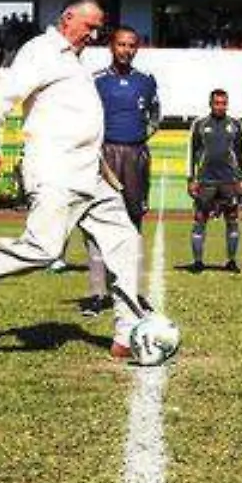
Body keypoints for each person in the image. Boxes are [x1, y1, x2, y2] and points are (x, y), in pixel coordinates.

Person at [0, 0, 156, 361]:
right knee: (43, 249)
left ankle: (127, 335)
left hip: (92, 174)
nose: (93, 35)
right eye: (89, 26)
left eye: (98, 29)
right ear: (67, 19)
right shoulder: (41, 51)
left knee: (125, 242)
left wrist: (102, 167)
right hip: (56, 172)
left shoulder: (76, 61)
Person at [79, 26, 160, 316]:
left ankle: (133, 291)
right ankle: (97, 294)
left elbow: (155, 116)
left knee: (134, 223)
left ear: (136, 48)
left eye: (131, 45)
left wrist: (137, 142)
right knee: (96, 222)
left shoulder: (146, 81)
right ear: (111, 47)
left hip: (135, 155)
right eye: (121, 45)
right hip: (104, 155)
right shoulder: (96, 81)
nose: (126, 50)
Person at [186, 89, 242, 273]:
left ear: (227, 104)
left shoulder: (236, 125)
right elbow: (191, 152)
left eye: (223, 103)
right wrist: (191, 178)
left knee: (232, 219)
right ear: (211, 104)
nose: (220, 106)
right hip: (206, 180)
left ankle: (231, 261)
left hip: (229, 180)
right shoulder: (199, 124)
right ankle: (198, 262)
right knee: (199, 220)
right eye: (217, 103)